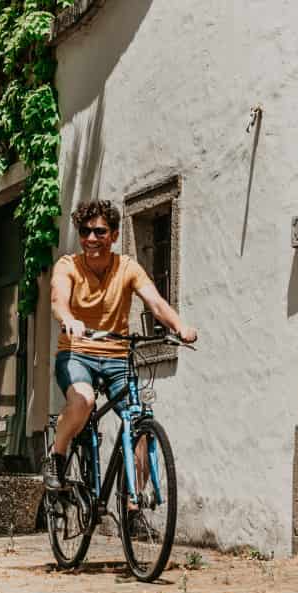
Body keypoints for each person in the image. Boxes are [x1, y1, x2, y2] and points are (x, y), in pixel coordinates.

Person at [44, 199, 197, 491]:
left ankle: (133, 501)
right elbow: (58, 300)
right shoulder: (68, 266)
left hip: (117, 358)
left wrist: (179, 327)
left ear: (114, 235)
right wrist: (69, 319)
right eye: (85, 231)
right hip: (77, 354)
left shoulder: (127, 267)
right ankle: (57, 454)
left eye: (100, 232)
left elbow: (155, 302)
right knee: (84, 400)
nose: (91, 238)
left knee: (139, 422)